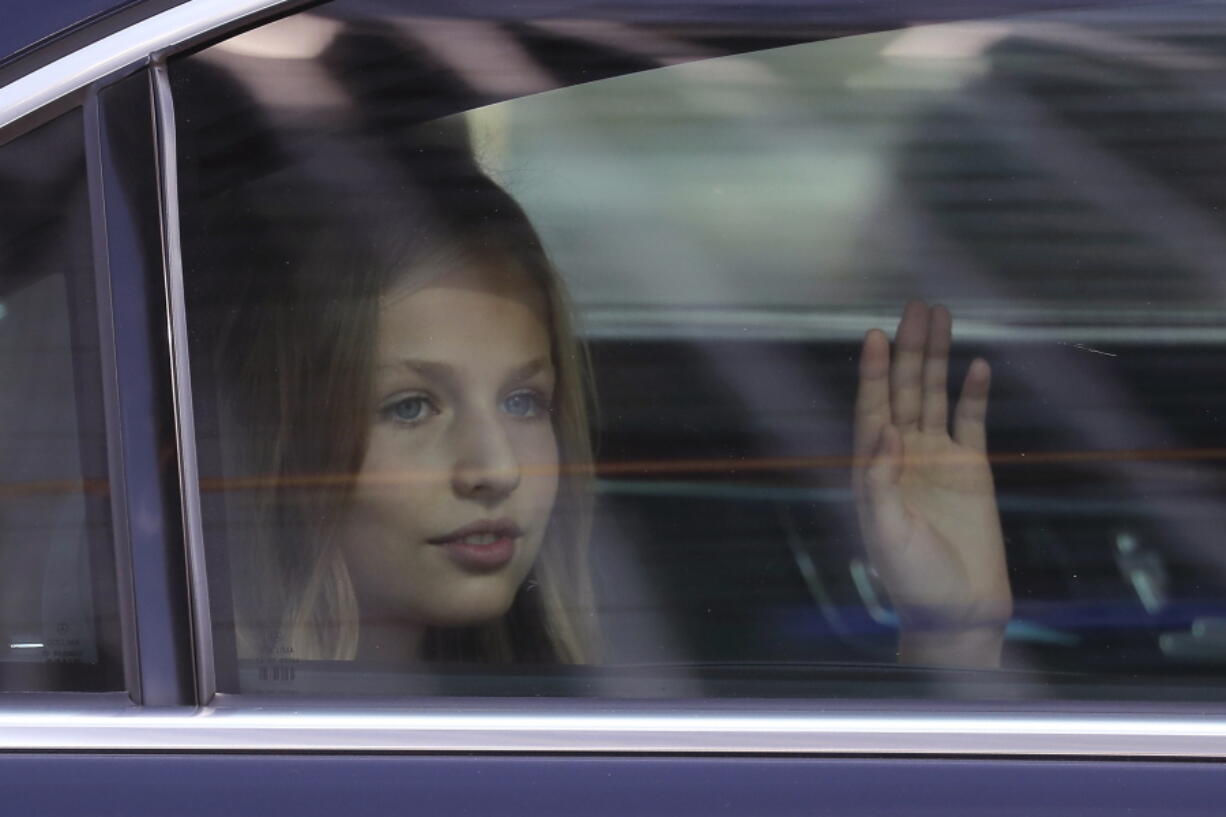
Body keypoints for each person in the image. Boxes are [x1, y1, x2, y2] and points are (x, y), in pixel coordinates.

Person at [191, 131, 1010, 673]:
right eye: (411, 407)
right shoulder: (217, 750)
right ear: (283, 438)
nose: (494, 468)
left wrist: (955, 640)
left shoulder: (558, 718)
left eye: (523, 401)